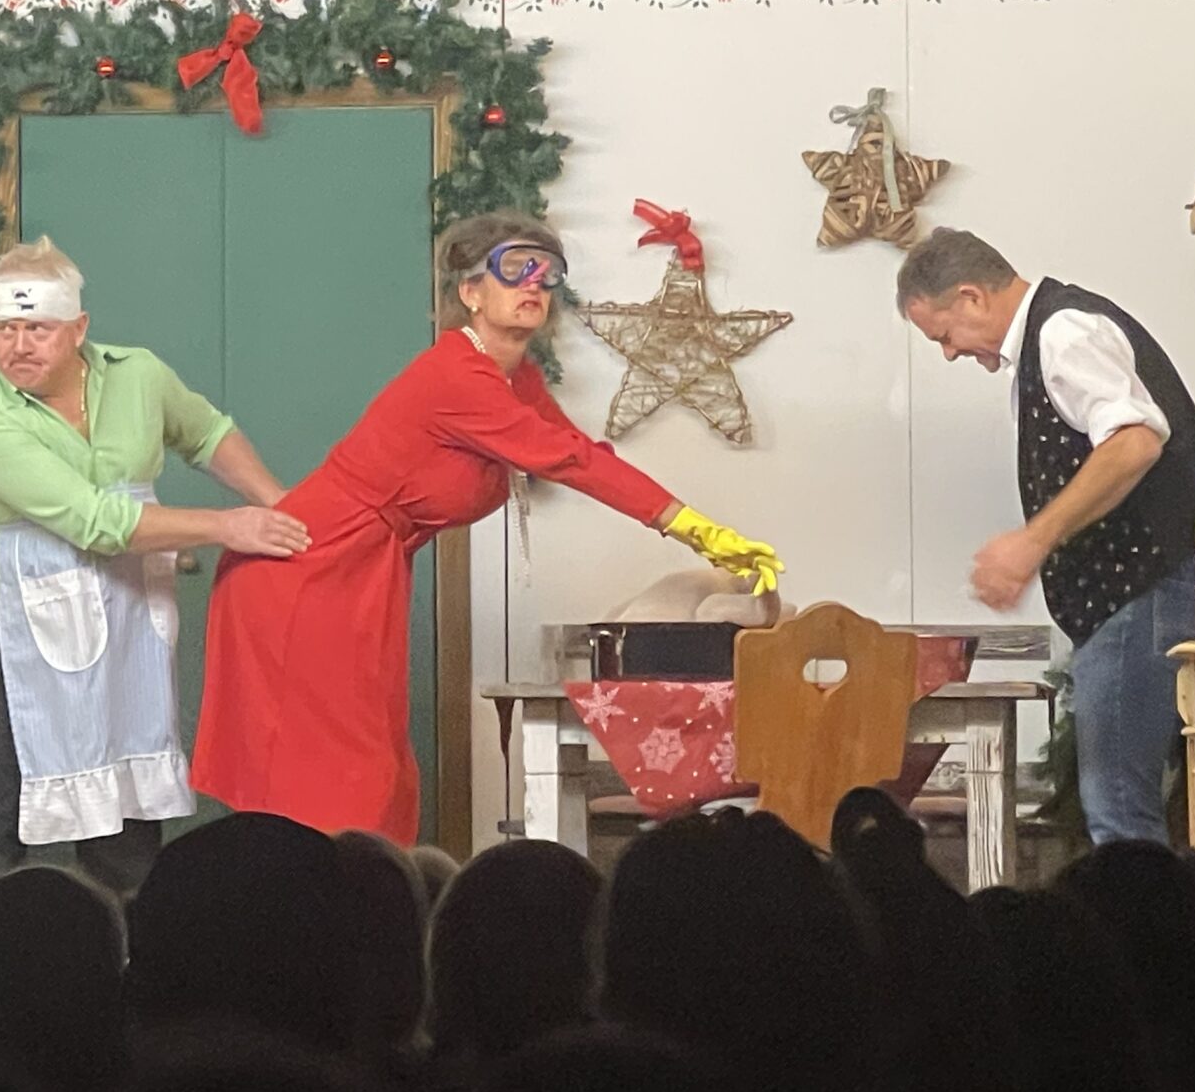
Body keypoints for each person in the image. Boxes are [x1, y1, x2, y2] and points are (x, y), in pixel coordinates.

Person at [193, 211, 780, 841]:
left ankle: (360, 889)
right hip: (305, 570)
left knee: (371, 762)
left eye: (547, 273)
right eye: (514, 268)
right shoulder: (455, 374)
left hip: (363, 570)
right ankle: (318, 892)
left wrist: (688, 522)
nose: (534, 284)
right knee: (333, 773)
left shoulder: (516, 376)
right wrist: (694, 528)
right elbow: (568, 460)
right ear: (471, 292)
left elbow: (579, 452)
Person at [0, 238, 306, 893]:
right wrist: (227, 526)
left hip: (125, 603)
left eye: (38, 328)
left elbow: (206, 433)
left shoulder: (139, 374)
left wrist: (278, 502)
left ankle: (131, 930)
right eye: (6, 329)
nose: (19, 346)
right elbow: (98, 523)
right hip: (17, 616)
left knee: (126, 783)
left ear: (78, 328)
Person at [896, 227, 1195, 845]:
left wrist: (1033, 541)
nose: (949, 354)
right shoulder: (1051, 334)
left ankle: (1141, 910)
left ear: (971, 297)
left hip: (1141, 594)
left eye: (944, 336)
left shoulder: (1064, 332)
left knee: (1119, 811)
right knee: (1124, 804)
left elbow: (1135, 441)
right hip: (1130, 599)